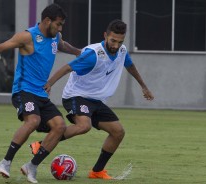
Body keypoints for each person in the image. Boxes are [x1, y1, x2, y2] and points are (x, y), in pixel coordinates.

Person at [0, 4, 80, 183]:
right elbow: (1, 47)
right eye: (58, 24)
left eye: (62, 25)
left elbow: (62, 45)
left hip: (40, 94)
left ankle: (31, 166)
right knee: (33, 120)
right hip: (23, 90)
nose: (60, 28)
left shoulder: (56, 36)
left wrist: (79, 52)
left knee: (60, 126)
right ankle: (5, 162)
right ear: (47, 21)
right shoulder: (28, 37)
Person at [30, 19, 154, 180]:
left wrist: (143, 86)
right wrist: (49, 84)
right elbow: (68, 67)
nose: (116, 45)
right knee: (84, 126)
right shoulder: (93, 54)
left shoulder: (122, 51)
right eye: (113, 41)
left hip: (95, 101)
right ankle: (42, 144)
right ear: (105, 35)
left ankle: (97, 171)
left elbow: (130, 66)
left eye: (120, 41)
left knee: (118, 132)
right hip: (76, 96)